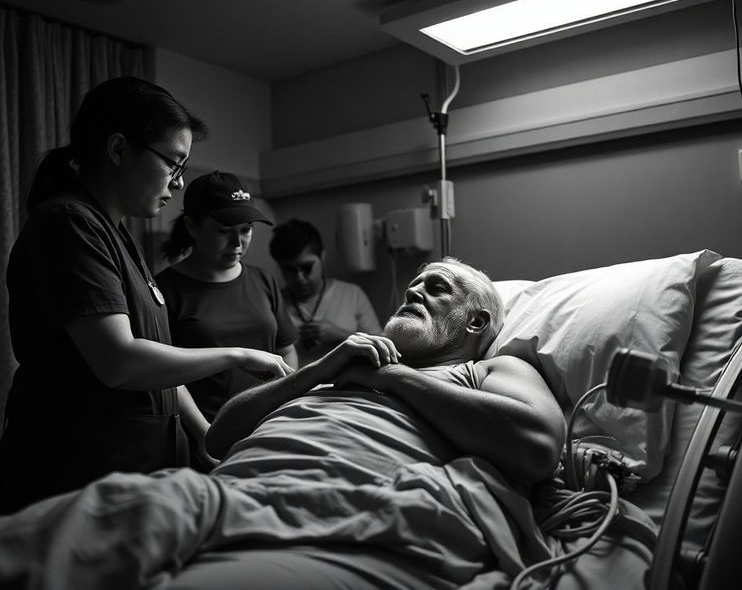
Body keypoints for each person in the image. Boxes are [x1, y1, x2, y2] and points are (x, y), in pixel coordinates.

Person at [0, 257, 567, 589]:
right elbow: (223, 435)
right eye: (414, 283)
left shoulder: (489, 368)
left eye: (437, 287)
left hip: (345, 510)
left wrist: (394, 381)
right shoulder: (344, 366)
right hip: (225, 492)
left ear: (476, 323)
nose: (414, 290)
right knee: (62, 531)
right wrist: (316, 371)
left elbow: (537, 446)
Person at [0, 77, 292, 515]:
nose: (176, 184)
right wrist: (238, 356)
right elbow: (120, 362)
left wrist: (202, 433)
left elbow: (160, 366)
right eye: (173, 164)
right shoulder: (68, 223)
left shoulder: (118, 237)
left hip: (140, 472)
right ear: (118, 150)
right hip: (79, 473)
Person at [155, 171, 298, 470]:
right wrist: (206, 434)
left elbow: (285, 351)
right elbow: (164, 374)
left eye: (246, 230)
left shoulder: (262, 280)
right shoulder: (165, 289)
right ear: (192, 226)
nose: (237, 242)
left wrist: (288, 410)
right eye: (224, 231)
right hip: (204, 436)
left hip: (268, 427)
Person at [269, 218, 382, 366]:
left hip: (349, 385)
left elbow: (381, 347)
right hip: (299, 387)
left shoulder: (352, 294)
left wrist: (340, 335)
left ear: (322, 257)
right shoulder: (273, 303)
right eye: (290, 270)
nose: (300, 278)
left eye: (307, 267)